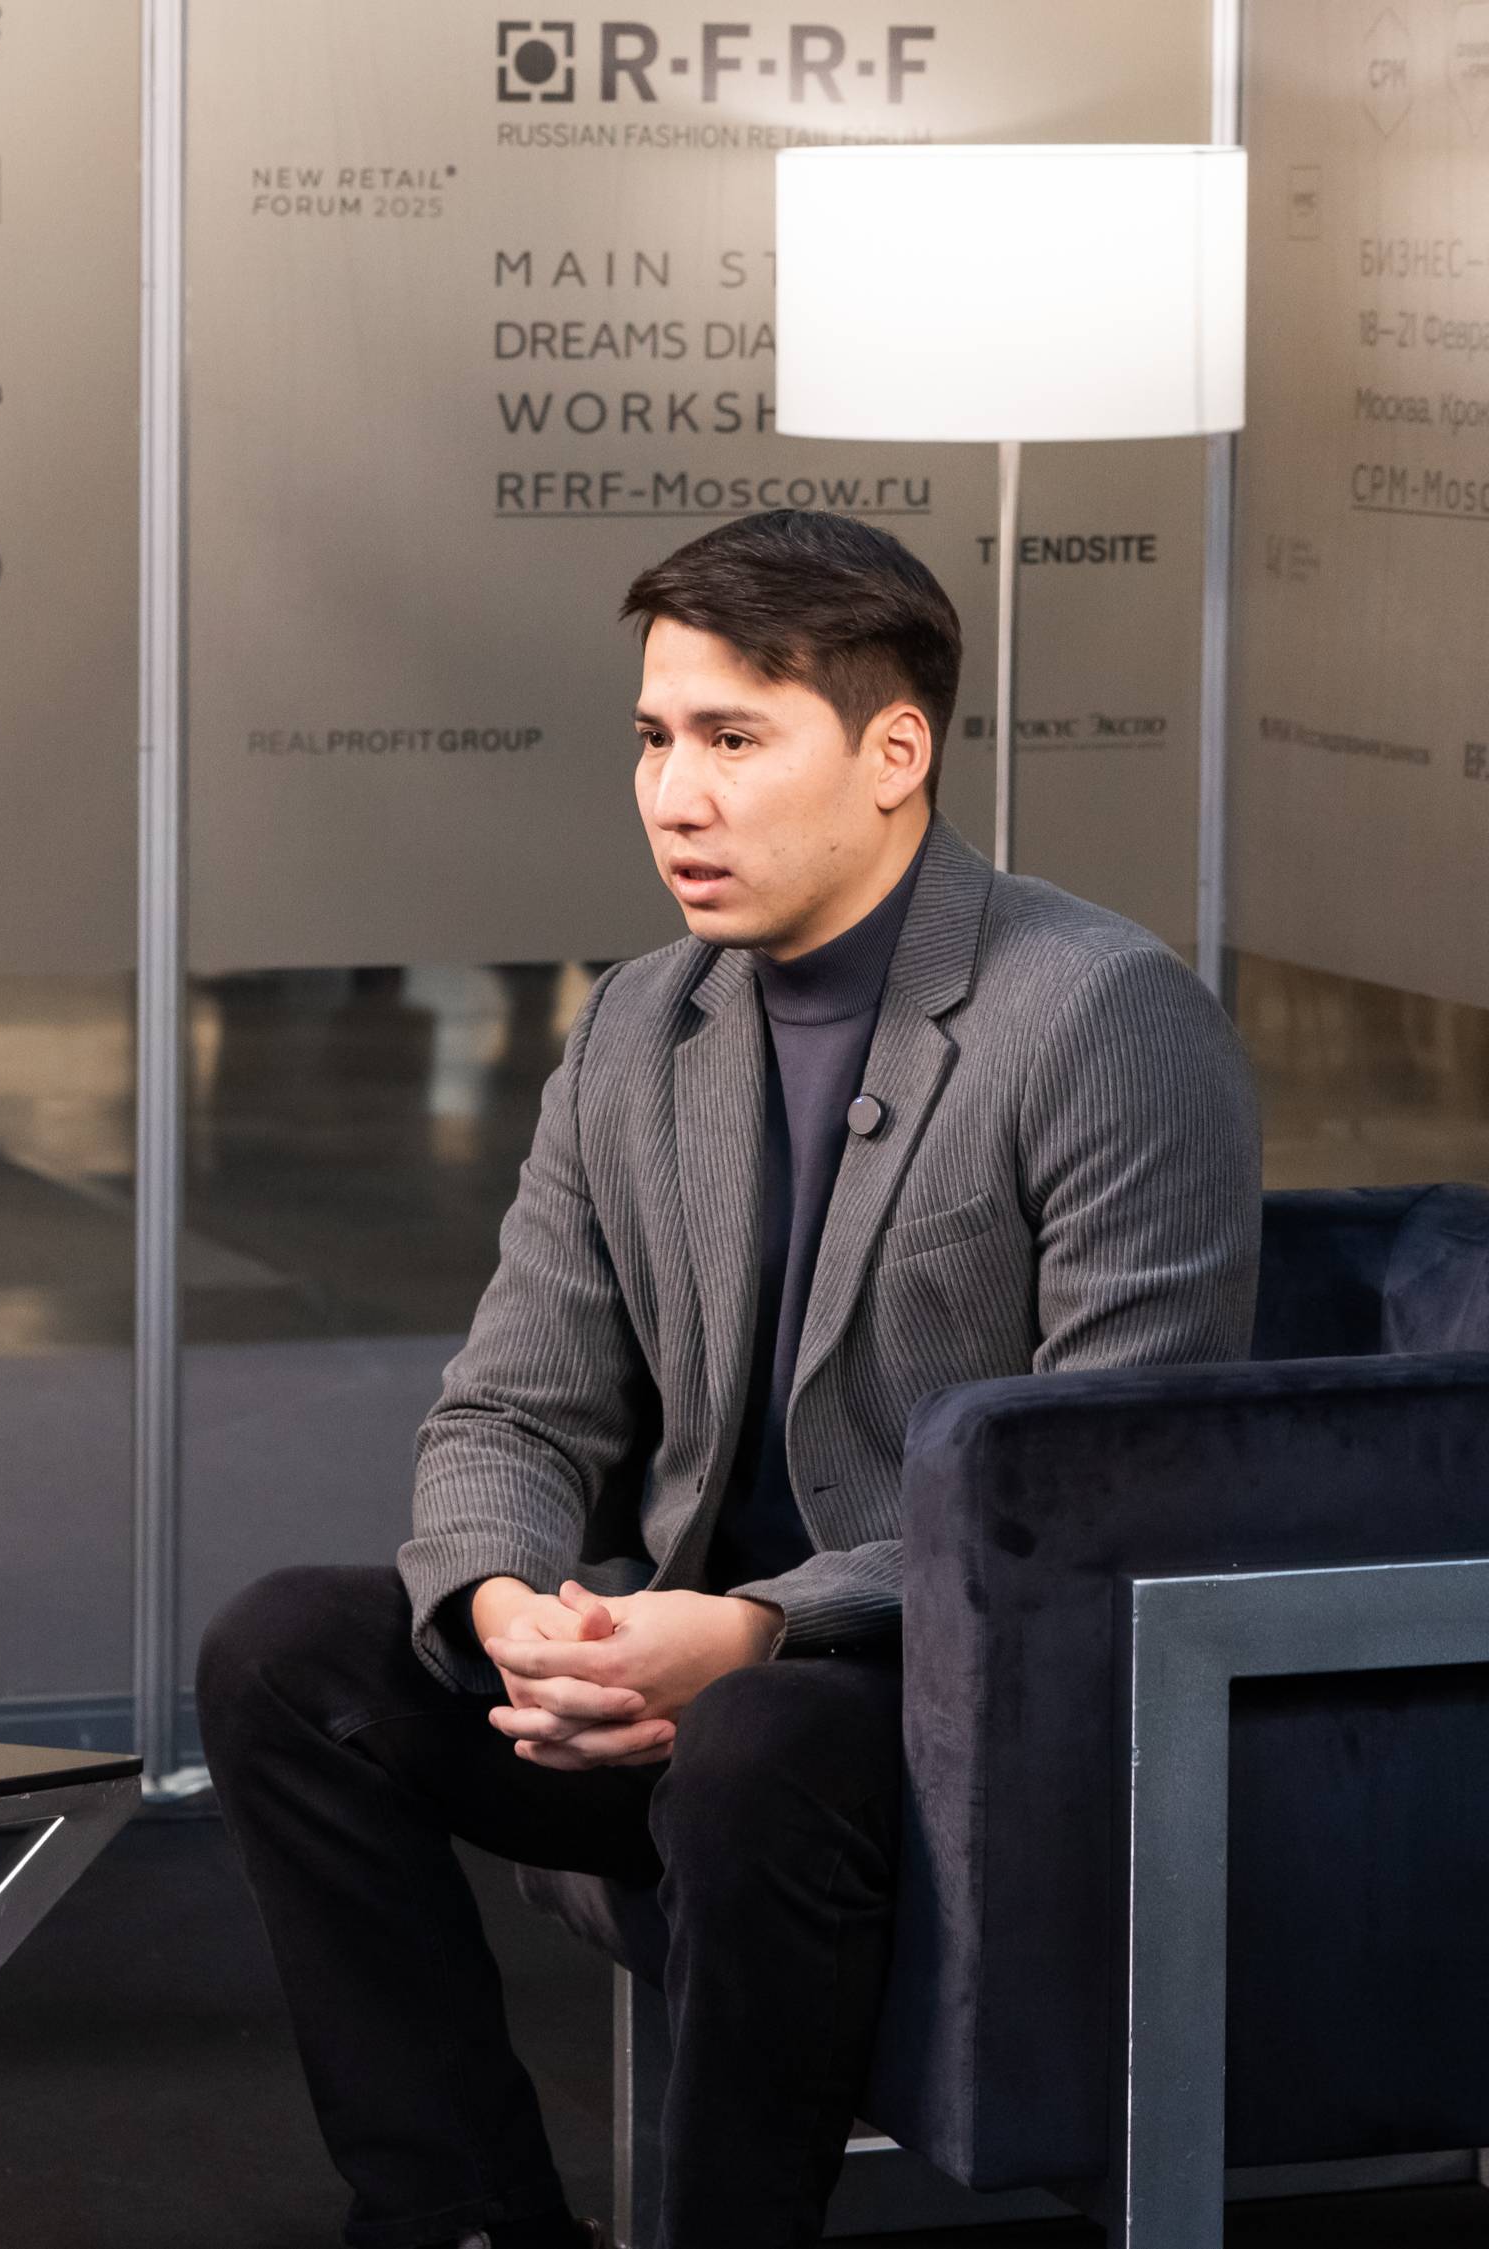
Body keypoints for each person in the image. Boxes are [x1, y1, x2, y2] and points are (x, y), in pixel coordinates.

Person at [198, 509, 1263, 2249]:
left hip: (942, 1696)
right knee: (284, 1655)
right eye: (654, 738)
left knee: (755, 1742)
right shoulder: (642, 1021)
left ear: (894, 754)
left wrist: (761, 1627)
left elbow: (1112, 1488)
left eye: (733, 739)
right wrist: (507, 1612)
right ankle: (467, 2221)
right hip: (680, 1676)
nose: (674, 797)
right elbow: (513, 1403)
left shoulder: (1099, 1014)